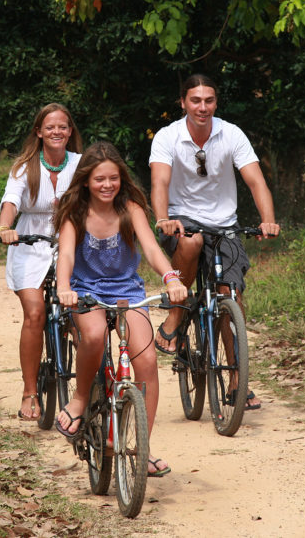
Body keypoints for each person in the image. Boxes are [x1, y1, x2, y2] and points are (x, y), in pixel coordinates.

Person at [53, 142, 187, 478]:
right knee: (95, 335)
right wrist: (64, 288)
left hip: (127, 292)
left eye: (113, 178)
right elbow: (66, 255)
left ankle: (142, 448)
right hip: (85, 292)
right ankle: (81, 399)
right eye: (100, 179)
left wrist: (171, 277)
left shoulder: (130, 208)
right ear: (86, 180)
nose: (107, 185)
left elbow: (153, 250)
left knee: (147, 361)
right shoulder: (75, 212)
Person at [149, 73, 281, 410]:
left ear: (216, 103)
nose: (202, 107)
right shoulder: (168, 137)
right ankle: (177, 314)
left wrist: (268, 219)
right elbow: (160, 183)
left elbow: (255, 180)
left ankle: (238, 378)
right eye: (195, 100)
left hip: (225, 223)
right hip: (183, 219)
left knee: (230, 294)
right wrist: (164, 218)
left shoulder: (231, 133)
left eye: (209, 100)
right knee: (191, 245)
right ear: (183, 103)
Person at [0, 103, 83, 421]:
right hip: (29, 242)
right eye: (50, 127)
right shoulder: (25, 167)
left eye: (62, 126)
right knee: (35, 313)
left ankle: (91, 386)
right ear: (39, 132)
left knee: (78, 314)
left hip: (71, 241)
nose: (57, 132)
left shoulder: (81, 164)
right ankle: (30, 391)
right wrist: (6, 227)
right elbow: (11, 201)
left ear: (70, 132)